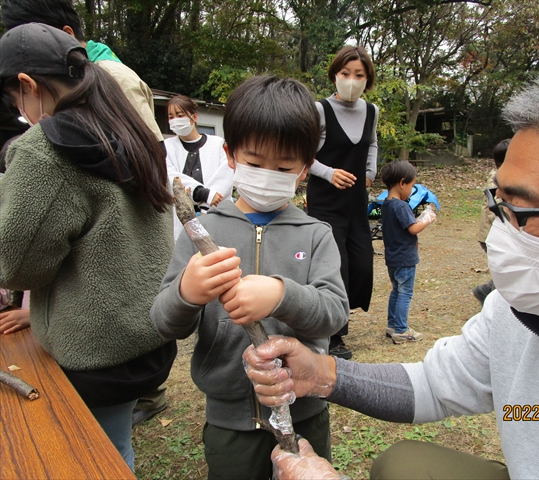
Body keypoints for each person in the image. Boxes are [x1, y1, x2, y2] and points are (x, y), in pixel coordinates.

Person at [243, 55, 539, 479]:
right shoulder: (516, 314)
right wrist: (322, 374)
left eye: (522, 212)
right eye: (496, 204)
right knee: (405, 466)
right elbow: (435, 383)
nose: (502, 235)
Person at [150, 75, 349, 480]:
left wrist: (282, 295)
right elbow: (162, 322)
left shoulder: (315, 234)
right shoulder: (203, 232)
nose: (267, 174)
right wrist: (187, 293)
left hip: (305, 410)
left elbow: (334, 313)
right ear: (230, 154)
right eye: (255, 163)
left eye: (283, 167)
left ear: (305, 168)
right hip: (230, 420)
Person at [0, 24, 176, 470]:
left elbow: (15, 265)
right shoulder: (129, 124)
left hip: (92, 350)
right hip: (145, 335)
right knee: (114, 450)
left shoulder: (48, 148)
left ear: (27, 85)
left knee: (85, 460)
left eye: (14, 99)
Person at [1, 0, 164, 143]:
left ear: (67, 35)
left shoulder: (113, 76)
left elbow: (153, 153)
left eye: (33, 41)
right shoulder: (65, 82)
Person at [306, 45, 379, 360]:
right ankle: (333, 336)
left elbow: (372, 142)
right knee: (334, 267)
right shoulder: (319, 110)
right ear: (334, 75)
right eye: (345, 73)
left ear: (367, 79)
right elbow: (302, 155)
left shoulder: (372, 111)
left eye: (359, 75)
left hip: (355, 202)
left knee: (361, 266)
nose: (351, 80)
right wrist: (328, 172)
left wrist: (370, 172)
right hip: (325, 202)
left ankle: (335, 317)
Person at [380, 160, 436, 344]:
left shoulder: (386, 205)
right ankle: (402, 330)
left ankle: (392, 325)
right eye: (412, 186)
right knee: (405, 292)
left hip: (393, 258)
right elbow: (413, 228)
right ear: (402, 183)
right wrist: (427, 220)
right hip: (405, 258)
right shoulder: (401, 206)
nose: (412, 191)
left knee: (396, 290)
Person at [165, 94, 233, 241]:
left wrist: (208, 203)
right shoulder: (167, 147)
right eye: (171, 117)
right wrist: (202, 193)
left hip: (216, 214)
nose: (175, 120)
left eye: (180, 115)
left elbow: (227, 173)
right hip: (182, 220)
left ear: (194, 117)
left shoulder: (217, 144)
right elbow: (170, 176)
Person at [472, 138, 510, 304]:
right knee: (506, 272)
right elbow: (494, 209)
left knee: (506, 271)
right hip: (492, 236)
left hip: (496, 234)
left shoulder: (504, 177)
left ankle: (486, 291)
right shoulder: (496, 180)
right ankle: (492, 299)